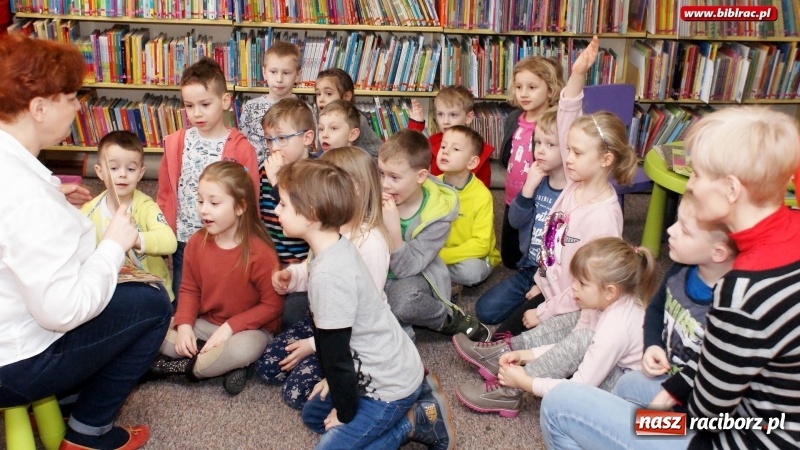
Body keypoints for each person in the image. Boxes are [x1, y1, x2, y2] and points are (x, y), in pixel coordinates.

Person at [540, 106, 800, 450]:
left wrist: (658, 412)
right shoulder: (780, 238)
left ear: (732, 190)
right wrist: (667, 390)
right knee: (631, 386)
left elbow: (708, 411)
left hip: (737, 435)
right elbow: (720, 358)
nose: (689, 184)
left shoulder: (744, 288)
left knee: (560, 405)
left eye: (698, 175)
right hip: (750, 411)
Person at [0, 33, 171, 450]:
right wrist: (113, 245)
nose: (79, 107)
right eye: (72, 97)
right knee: (152, 304)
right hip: (15, 364)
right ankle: (88, 434)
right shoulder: (28, 201)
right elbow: (63, 310)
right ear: (39, 108)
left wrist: (51, 192)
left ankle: (67, 399)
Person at [275, 159, 453, 450]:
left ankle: (416, 421)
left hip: (388, 385)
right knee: (314, 418)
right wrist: (334, 383)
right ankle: (417, 396)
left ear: (311, 214)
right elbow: (332, 341)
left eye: (282, 204)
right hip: (378, 365)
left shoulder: (330, 275)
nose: (276, 210)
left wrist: (345, 412)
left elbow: (337, 357)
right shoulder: (335, 244)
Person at [456, 237, 655, 418]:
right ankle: (507, 369)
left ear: (610, 291)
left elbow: (579, 387)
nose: (574, 287)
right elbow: (569, 348)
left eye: (582, 283)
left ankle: (510, 390)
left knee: (583, 338)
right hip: (614, 372)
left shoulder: (615, 329)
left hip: (626, 407)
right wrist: (525, 354)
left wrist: (526, 382)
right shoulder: (610, 302)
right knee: (578, 327)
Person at [474, 36, 599, 325]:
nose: (538, 151)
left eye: (548, 145)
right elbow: (517, 221)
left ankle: (547, 302)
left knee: (518, 324)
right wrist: (528, 188)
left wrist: (578, 74)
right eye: (537, 144)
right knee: (485, 310)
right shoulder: (537, 178)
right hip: (533, 265)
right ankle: (539, 295)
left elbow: (569, 112)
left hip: (557, 272)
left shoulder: (570, 187)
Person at [255, 146, 391, 410]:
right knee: (268, 367)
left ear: (354, 188)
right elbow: (313, 270)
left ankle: (382, 388)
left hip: (352, 335)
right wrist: (291, 276)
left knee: (296, 394)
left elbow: (358, 317)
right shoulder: (327, 227)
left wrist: (312, 345)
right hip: (322, 320)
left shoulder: (370, 242)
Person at [495, 106, 635, 337]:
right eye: (567, 150)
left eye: (577, 153)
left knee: (517, 351)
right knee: (503, 336)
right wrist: (541, 282)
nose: (568, 159)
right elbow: (552, 242)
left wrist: (543, 313)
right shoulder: (574, 186)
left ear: (605, 159)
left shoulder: (604, 218)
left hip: (578, 305)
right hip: (552, 291)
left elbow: (590, 286)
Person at [151, 161, 282, 396]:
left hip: (249, 330)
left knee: (243, 350)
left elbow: (272, 306)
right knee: (153, 331)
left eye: (214, 203)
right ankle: (215, 362)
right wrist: (184, 326)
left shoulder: (260, 252)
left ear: (241, 207)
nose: (204, 210)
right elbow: (189, 290)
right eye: (200, 201)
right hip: (208, 323)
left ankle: (174, 368)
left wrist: (231, 327)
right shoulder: (195, 243)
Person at [612, 192, 736, 409]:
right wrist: (652, 345)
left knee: (638, 424)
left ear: (718, 253)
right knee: (624, 389)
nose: (670, 230)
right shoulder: (680, 270)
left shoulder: (732, 305)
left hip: (693, 408)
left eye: (685, 231)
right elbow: (657, 309)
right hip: (664, 378)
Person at [157, 57, 259, 306]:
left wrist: (246, 235)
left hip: (224, 236)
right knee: (184, 294)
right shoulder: (176, 143)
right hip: (185, 237)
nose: (196, 113)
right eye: (189, 106)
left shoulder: (240, 148)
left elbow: (250, 195)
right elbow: (165, 191)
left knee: (223, 291)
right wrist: (162, 226)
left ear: (225, 101)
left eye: (205, 104)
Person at [379, 129, 489, 342]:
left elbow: (406, 269)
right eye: (381, 173)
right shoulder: (381, 192)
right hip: (378, 273)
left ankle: (448, 319)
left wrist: (393, 231)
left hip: (413, 276)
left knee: (403, 303)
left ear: (421, 176)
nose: (384, 184)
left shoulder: (438, 214)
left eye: (394, 177)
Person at [82, 130, 178, 301]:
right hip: (110, 290)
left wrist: (134, 238)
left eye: (131, 169)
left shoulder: (146, 206)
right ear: (99, 171)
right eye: (113, 168)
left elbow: (169, 242)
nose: (123, 174)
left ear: (140, 173)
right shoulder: (89, 209)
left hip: (153, 292)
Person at [498, 55, 565, 268]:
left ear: (551, 91)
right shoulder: (513, 118)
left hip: (539, 200)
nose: (523, 93)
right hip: (512, 197)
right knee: (509, 259)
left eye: (532, 87)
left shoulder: (555, 123)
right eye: (519, 87)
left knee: (535, 251)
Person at [435, 125, 501, 295]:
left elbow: (481, 245)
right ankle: (437, 275)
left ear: (472, 162)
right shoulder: (431, 185)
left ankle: (433, 274)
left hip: (470, 257)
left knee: (472, 272)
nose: (445, 152)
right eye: (443, 146)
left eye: (455, 149)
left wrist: (441, 256)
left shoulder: (482, 195)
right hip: (436, 251)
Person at [407, 85, 495, 188]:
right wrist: (416, 124)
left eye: (453, 115)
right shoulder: (433, 142)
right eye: (440, 114)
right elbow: (409, 155)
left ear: (468, 117)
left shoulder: (478, 150)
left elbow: (482, 189)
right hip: (437, 198)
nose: (445, 121)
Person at [239, 41, 302, 164]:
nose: (279, 79)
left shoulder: (303, 109)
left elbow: (308, 149)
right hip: (256, 176)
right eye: (273, 72)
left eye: (286, 73)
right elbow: (242, 146)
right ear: (264, 73)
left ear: (297, 76)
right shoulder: (251, 107)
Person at [314, 67, 383, 157]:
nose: (321, 99)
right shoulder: (320, 117)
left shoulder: (358, 120)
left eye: (328, 94)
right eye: (318, 94)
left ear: (346, 97)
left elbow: (377, 153)